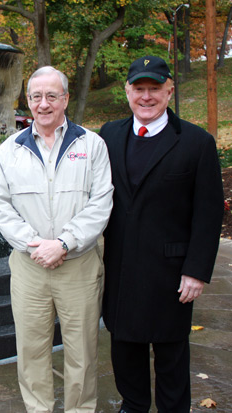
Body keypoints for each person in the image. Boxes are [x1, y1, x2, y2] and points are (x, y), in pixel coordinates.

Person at [100, 55, 224, 412]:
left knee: (170, 355)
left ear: (170, 91)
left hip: (171, 274)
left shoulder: (196, 143)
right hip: (120, 268)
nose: (147, 96)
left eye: (155, 89)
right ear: (128, 92)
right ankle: (133, 406)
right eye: (139, 88)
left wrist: (197, 270)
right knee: (125, 349)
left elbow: (208, 211)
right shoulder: (108, 135)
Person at [0, 66, 113, 413]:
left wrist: (63, 244)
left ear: (65, 99)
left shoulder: (92, 145)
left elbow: (101, 203)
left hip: (79, 265)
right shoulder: (8, 151)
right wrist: (35, 244)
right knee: (32, 349)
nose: (43, 104)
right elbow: (0, 208)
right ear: (28, 101)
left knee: (83, 350)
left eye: (51, 96)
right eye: (36, 96)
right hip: (30, 267)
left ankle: (80, 409)